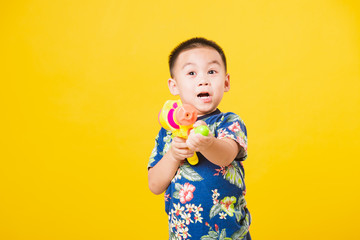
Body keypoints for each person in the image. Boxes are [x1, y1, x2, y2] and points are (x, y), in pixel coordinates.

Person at [148, 37, 251, 240]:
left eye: (212, 72)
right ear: (174, 86)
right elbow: (154, 185)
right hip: (183, 235)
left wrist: (208, 142)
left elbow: (226, 155)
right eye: (191, 73)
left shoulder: (228, 122)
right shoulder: (168, 132)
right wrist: (173, 155)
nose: (203, 80)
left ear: (226, 82)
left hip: (229, 234)